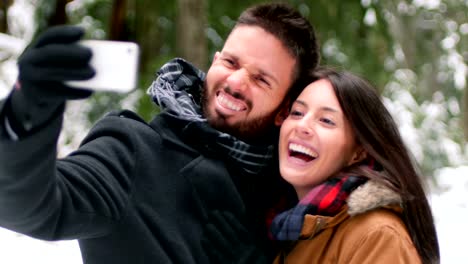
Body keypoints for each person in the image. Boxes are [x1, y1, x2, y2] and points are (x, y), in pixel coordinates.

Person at [0, 3, 319, 264]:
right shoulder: (132, 149)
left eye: (261, 79)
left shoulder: (296, 194)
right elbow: (26, 206)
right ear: (215, 61)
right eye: (231, 62)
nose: (235, 82)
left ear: (283, 110)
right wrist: (25, 113)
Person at [203, 68, 440, 264]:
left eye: (326, 120)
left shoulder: (376, 236)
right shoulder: (288, 229)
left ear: (359, 151)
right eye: (296, 112)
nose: (302, 125)